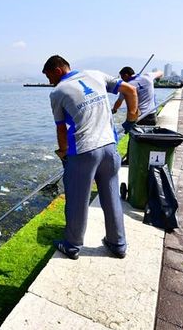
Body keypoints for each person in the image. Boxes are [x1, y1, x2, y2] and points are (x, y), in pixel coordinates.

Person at [43, 55, 138, 260]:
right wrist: (132, 118)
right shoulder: (96, 74)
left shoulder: (58, 92)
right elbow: (130, 90)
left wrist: (63, 152)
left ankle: (72, 245)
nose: (50, 82)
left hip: (84, 152)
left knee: (77, 200)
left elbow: (61, 129)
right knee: (111, 196)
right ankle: (118, 244)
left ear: (58, 70)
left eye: (50, 76)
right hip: (109, 148)